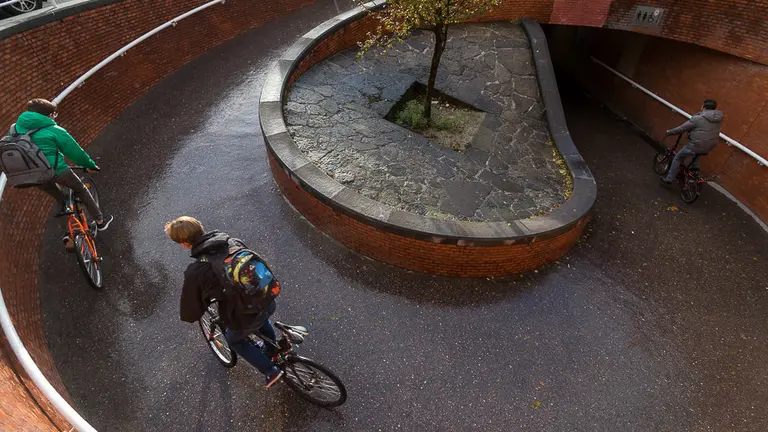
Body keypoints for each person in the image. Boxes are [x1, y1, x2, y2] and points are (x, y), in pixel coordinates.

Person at [165, 216, 284, 388]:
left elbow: (191, 308)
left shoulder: (198, 270)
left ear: (183, 243)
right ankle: (272, 351)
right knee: (260, 319)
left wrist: (190, 314)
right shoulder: (231, 241)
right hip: (267, 296)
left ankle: (270, 371)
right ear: (201, 227)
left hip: (245, 313)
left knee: (234, 340)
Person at [11, 98, 113, 231]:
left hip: (33, 174)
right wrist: (90, 165)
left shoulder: (15, 129)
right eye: (54, 114)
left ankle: (68, 231)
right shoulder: (54, 130)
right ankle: (100, 221)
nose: (54, 116)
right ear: (49, 115)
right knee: (81, 189)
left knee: (60, 198)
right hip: (57, 171)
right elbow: (75, 152)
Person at [662, 99, 724, 184]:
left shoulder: (698, 118)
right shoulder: (717, 119)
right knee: (697, 152)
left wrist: (669, 132)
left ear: (704, 107)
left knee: (678, 158)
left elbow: (681, 129)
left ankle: (669, 179)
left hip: (697, 144)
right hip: (710, 146)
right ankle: (695, 172)